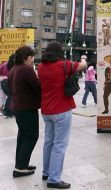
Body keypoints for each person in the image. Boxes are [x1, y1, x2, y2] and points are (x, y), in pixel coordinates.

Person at [38, 42, 86, 189]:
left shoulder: (40, 67)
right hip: (61, 109)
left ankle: (46, 172)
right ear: (60, 53)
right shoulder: (64, 65)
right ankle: (53, 178)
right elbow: (83, 66)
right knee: (60, 144)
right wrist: (84, 58)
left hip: (46, 110)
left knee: (48, 142)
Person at [8, 46, 41, 177]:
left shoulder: (13, 69)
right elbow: (38, 87)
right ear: (25, 58)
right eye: (31, 57)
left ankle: (21, 164)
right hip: (27, 108)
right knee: (31, 136)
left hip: (18, 107)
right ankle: (20, 168)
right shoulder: (27, 70)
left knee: (22, 136)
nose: (33, 60)